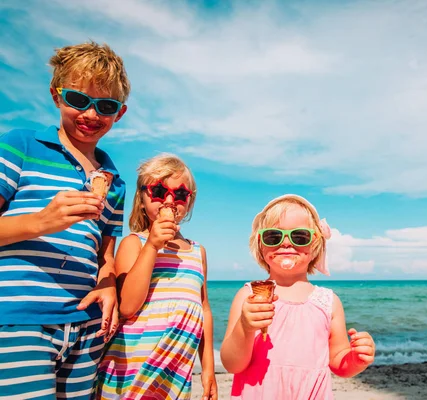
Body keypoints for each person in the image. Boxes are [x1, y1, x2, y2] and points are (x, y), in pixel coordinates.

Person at [0, 41, 129, 399]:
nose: (90, 114)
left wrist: (107, 284)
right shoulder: (21, 145)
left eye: (105, 106)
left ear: (119, 113)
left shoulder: (114, 178)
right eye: (78, 100)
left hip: (85, 326)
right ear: (57, 95)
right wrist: (39, 222)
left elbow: (105, 252)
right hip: (19, 319)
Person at [220, 194, 376, 399]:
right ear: (261, 244)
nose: (286, 243)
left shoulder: (328, 302)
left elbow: (338, 361)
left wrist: (356, 359)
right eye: (273, 237)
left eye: (299, 236)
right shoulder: (248, 296)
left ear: (315, 245)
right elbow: (233, 364)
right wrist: (245, 327)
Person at [95, 154, 217, 400]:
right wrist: (152, 246)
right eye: (159, 191)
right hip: (131, 369)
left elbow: (203, 309)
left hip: (175, 373)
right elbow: (128, 306)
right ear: (142, 199)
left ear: (189, 202)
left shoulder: (197, 252)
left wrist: (208, 369)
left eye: (180, 194)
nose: (170, 200)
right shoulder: (134, 244)